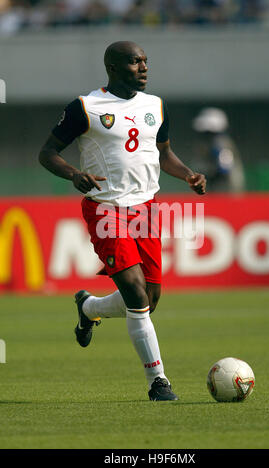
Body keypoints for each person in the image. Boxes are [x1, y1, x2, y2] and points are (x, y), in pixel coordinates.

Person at [39, 41, 206, 401]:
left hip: (146, 209)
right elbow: (47, 153)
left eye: (145, 61)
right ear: (113, 68)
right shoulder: (86, 107)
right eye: (134, 62)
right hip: (106, 209)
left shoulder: (155, 106)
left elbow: (163, 154)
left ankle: (89, 307)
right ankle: (158, 381)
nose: (143, 67)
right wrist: (72, 174)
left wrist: (189, 174)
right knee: (133, 290)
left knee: (149, 296)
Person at [191, 107, 245, 193]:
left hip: (225, 192)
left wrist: (207, 175)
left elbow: (224, 169)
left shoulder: (220, 144)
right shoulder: (210, 144)